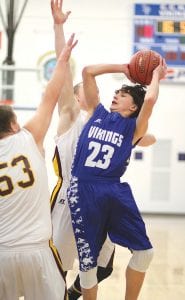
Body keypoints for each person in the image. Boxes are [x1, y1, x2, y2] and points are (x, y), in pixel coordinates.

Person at [50, 1, 156, 299]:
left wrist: (143, 137)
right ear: (77, 94)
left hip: (99, 197)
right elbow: (64, 67)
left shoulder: (109, 122)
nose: (95, 91)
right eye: (83, 87)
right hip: (69, 200)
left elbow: (143, 136)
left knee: (103, 266)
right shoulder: (70, 115)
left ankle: (73, 294)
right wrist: (59, 26)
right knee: (58, 268)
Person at [67, 58, 167, 300]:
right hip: (83, 189)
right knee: (88, 263)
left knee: (145, 253)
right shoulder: (96, 112)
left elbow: (150, 100)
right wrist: (125, 68)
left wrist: (155, 75)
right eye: (116, 92)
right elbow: (88, 70)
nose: (116, 96)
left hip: (113, 189)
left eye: (123, 95)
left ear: (133, 107)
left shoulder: (134, 128)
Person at [0, 33, 77, 300]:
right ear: (13, 126)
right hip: (37, 252)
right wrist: (63, 59)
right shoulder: (28, 137)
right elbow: (50, 96)